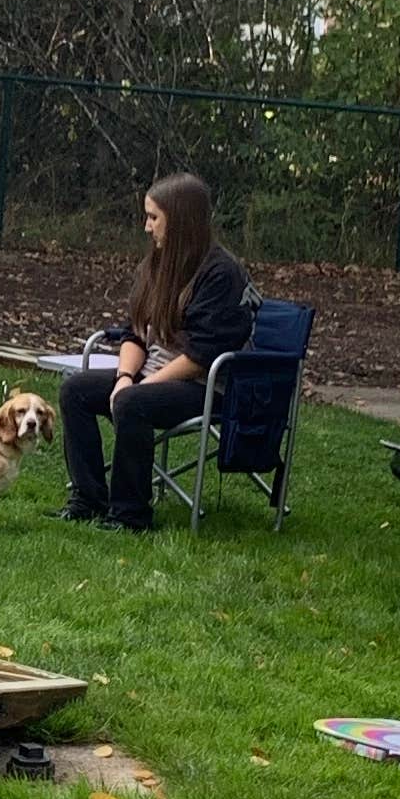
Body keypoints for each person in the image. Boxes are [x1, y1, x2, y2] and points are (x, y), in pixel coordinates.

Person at [60, 170, 256, 531]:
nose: (147, 227)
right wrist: (125, 377)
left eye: (153, 217)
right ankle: (88, 499)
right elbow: (136, 332)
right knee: (76, 390)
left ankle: (129, 515)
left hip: (207, 386)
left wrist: (138, 389)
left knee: (133, 404)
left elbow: (202, 357)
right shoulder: (156, 263)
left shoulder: (221, 274)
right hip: (156, 374)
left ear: (179, 220)